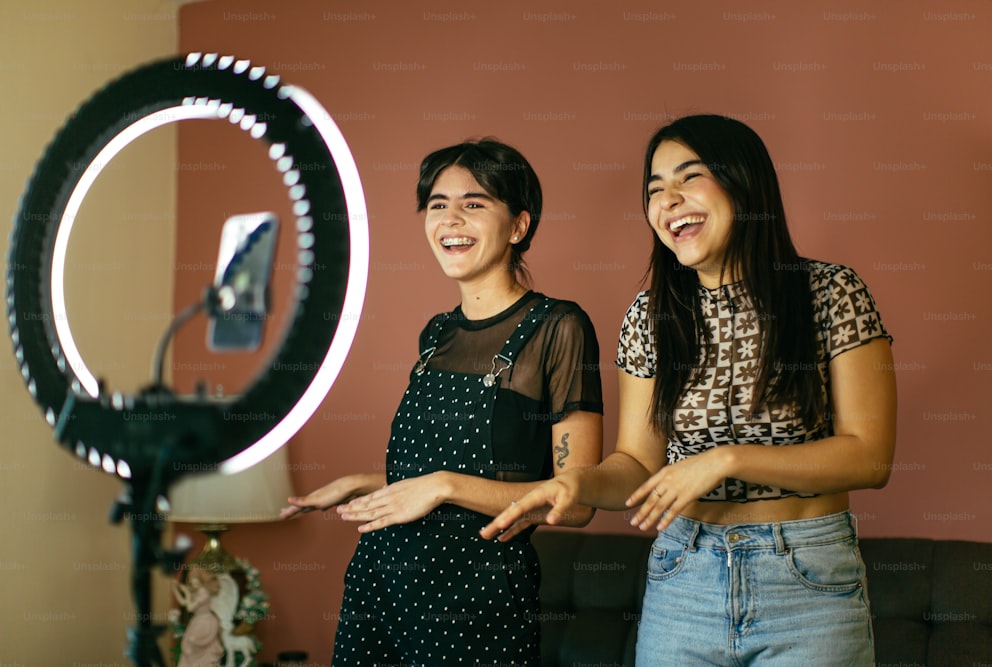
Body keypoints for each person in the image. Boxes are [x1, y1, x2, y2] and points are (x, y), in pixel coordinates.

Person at [482, 114, 896, 665]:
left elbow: (870, 459)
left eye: (688, 178)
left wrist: (727, 460)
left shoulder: (830, 292)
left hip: (807, 578)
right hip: (685, 575)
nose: (668, 200)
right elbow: (637, 464)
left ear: (744, 182)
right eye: (655, 189)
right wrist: (575, 485)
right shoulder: (649, 318)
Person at [281, 139, 604, 666]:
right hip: (380, 583)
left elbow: (577, 502)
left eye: (474, 203)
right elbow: (447, 474)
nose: (450, 218)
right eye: (437, 204)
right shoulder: (437, 334)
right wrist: (372, 483)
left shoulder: (558, 327)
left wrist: (442, 486)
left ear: (519, 226)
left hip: (477, 598)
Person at [173, 567, 224, 667]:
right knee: (187, 645)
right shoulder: (196, 591)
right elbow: (184, 602)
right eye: (192, 583)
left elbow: (190, 608)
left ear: (201, 581)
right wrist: (175, 589)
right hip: (197, 621)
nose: (194, 585)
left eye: (196, 582)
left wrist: (187, 593)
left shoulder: (204, 593)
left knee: (192, 643)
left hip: (206, 621)